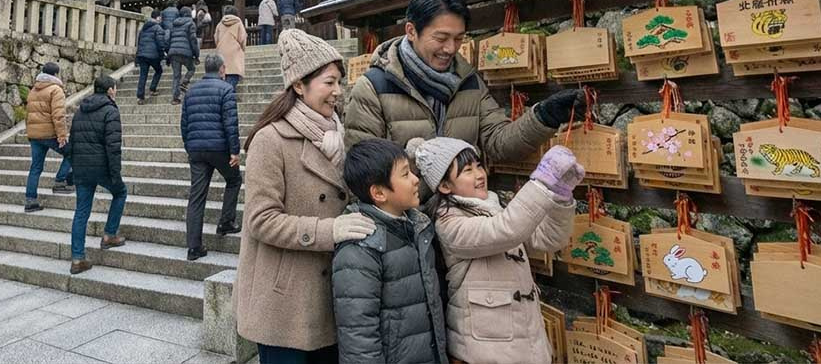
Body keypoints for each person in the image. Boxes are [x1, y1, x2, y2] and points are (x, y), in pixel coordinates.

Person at [234, 29, 376, 363]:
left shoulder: (337, 135)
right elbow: (261, 221)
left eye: (339, 82)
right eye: (329, 83)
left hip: (332, 296)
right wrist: (331, 231)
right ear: (299, 85)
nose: (337, 92)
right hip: (284, 303)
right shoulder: (270, 139)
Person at [344, 0, 585, 161]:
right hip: (407, 221)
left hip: (462, 217)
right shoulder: (374, 88)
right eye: (441, 38)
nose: (450, 49)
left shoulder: (468, 82)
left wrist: (544, 116)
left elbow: (497, 143)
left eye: (459, 39)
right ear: (411, 31)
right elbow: (365, 169)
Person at [411, 137, 580, 364]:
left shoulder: (493, 207)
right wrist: (541, 183)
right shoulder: (448, 223)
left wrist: (560, 196)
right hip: (485, 350)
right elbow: (506, 230)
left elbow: (548, 239)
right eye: (467, 170)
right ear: (444, 186)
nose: (479, 174)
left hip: (526, 341)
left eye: (478, 165)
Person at [333, 139, 447, 364]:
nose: (416, 180)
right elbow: (359, 336)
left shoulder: (417, 227)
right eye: (405, 174)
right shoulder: (361, 248)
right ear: (379, 193)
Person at [180, 54, 242, 261]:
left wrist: (189, 147)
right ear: (223, 69)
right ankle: (226, 222)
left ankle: (193, 247)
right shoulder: (226, 89)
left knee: (196, 197)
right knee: (234, 180)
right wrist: (235, 151)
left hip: (196, 149)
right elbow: (230, 123)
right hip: (219, 149)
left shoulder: (191, 91)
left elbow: (184, 124)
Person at [68, 75, 128, 274]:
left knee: (81, 211)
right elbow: (113, 146)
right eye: (115, 88)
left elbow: (73, 142)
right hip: (101, 167)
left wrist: (72, 167)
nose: (115, 91)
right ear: (110, 90)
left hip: (81, 168)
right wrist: (115, 172)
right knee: (120, 193)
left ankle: (77, 258)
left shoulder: (80, 110)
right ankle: (110, 234)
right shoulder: (110, 111)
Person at [24, 63, 71, 212]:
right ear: (56, 74)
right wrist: (62, 135)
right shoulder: (56, 90)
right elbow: (58, 116)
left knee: (36, 167)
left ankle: (30, 201)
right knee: (72, 153)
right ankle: (60, 181)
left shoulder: (33, 90)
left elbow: (28, 114)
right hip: (49, 134)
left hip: (34, 135)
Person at [167, 5, 200, 104]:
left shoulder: (173, 24)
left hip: (173, 53)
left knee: (176, 76)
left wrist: (168, 55)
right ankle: (185, 81)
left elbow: (168, 39)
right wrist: (196, 55)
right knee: (191, 69)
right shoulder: (191, 23)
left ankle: (175, 98)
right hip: (186, 52)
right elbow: (193, 40)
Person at [135, 11, 167, 105]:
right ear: (157, 18)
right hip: (153, 55)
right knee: (159, 71)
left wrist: (137, 56)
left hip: (142, 55)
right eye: (160, 18)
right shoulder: (158, 28)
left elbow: (139, 42)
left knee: (143, 75)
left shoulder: (143, 28)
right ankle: (152, 89)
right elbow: (160, 43)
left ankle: (140, 97)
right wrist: (162, 54)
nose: (161, 19)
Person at [214, 5, 246, 91]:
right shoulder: (238, 23)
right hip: (234, 53)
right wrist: (242, 48)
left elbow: (216, 39)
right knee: (232, 78)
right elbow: (242, 38)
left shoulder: (220, 24)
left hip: (221, 53)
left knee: (222, 78)